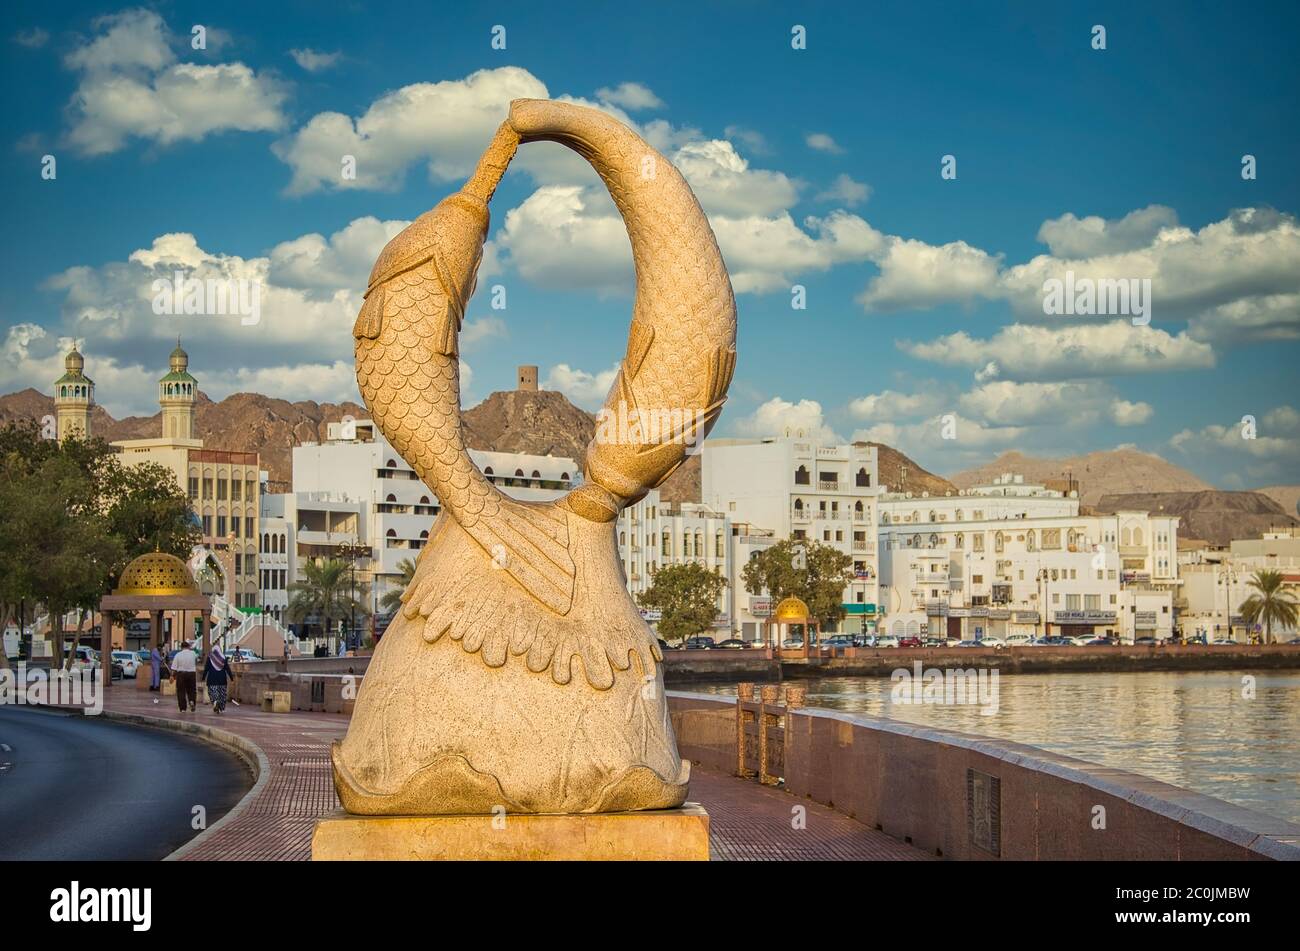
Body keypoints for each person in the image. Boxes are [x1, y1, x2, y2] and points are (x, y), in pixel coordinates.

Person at [202, 644, 234, 714]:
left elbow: (206, 669)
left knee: (212, 692)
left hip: (212, 679)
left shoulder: (210, 658)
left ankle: (215, 702)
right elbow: (227, 669)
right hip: (222, 679)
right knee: (222, 694)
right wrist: (231, 678)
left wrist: (203, 677)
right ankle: (221, 708)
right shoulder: (223, 658)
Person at [171, 640, 198, 712]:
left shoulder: (178, 655)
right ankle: (192, 701)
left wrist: (172, 676)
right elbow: (196, 660)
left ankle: (183, 708)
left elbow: (174, 668)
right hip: (192, 674)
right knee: (192, 690)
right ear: (188, 647)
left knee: (181, 691)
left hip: (181, 674)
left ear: (181, 647)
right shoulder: (193, 653)